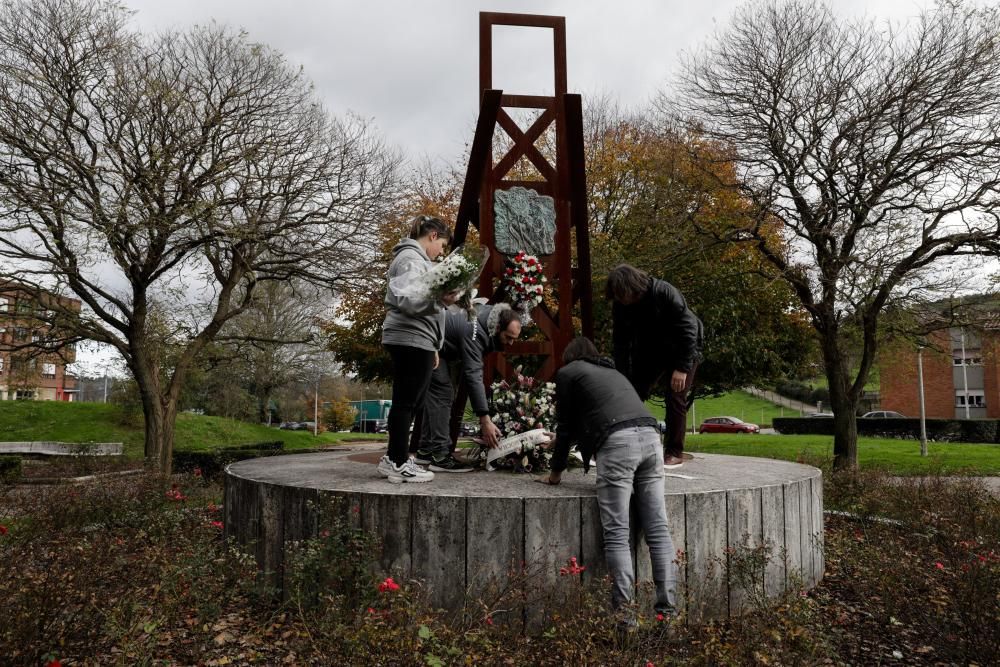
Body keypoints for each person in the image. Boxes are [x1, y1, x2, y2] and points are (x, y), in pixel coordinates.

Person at [541, 336, 678, 622]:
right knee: (658, 530)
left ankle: (626, 621)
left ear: (570, 356)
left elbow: (567, 425)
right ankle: (668, 615)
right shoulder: (612, 372)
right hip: (651, 438)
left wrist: (555, 474)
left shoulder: (568, 372)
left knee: (617, 533)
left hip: (618, 446)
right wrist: (561, 441)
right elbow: (606, 414)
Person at [377, 215, 460, 484]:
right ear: (433, 235)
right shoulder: (412, 260)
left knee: (410, 402)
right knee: (406, 402)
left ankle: (394, 458)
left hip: (417, 338)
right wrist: (441, 300)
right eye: (443, 246)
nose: (441, 253)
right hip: (410, 337)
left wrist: (434, 344)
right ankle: (399, 462)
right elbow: (410, 301)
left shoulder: (416, 260)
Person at [607, 264, 703, 469]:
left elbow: (689, 328)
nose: (621, 300)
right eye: (617, 296)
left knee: (675, 396)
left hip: (682, 350)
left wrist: (682, 368)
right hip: (650, 352)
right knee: (630, 394)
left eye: (623, 295)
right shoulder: (620, 305)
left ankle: (674, 451)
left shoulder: (664, 292)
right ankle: (621, 443)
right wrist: (622, 378)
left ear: (633, 287)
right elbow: (620, 343)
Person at [414, 304, 522, 471]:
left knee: (437, 396)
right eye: (508, 337)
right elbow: (473, 375)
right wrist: (485, 419)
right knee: (443, 393)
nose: (511, 343)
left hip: (435, 343)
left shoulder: (491, 319)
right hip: (424, 340)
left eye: (514, 338)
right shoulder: (476, 330)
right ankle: (440, 457)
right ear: (498, 327)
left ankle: (426, 451)